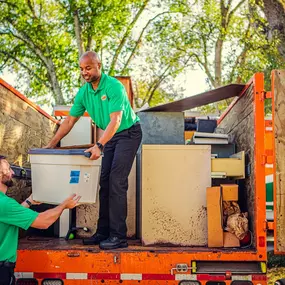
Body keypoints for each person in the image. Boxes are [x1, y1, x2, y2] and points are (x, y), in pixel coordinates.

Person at [45, 51, 142, 250]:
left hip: (128, 133)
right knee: (104, 182)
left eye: (88, 68)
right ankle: (103, 232)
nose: (84, 72)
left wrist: (99, 145)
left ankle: (118, 236)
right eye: (81, 69)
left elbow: (115, 120)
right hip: (111, 136)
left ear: (99, 65)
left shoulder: (114, 86)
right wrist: (52, 143)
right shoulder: (84, 92)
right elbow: (70, 120)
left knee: (117, 181)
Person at [0, 156, 81, 285]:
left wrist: (29, 201)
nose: (13, 173)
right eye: (8, 169)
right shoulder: (4, 203)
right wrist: (64, 205)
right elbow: (43, 222)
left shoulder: (4, 204)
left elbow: (11, 216)